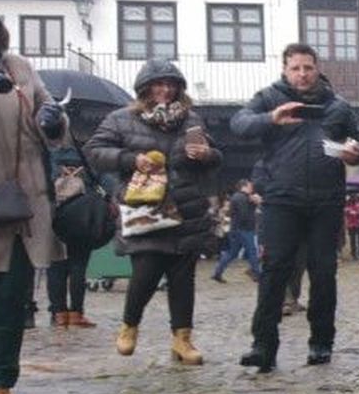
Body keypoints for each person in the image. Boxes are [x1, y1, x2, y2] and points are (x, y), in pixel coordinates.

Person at [230, 43, 359, 371]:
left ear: (317, 69)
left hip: (326, 200)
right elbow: (238, 124)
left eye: (308, 67)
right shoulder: (269, 97)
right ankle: (263, 344)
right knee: (274, 270)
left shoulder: (338, 107)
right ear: (285, 70)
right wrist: (270, 118)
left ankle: (321, 343)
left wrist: (356, 152)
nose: (302, 74)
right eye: (296, 68)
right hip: (281, 199)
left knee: (323, 273)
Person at [86, 60, 221, 365]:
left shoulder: (191, 120)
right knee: (145, 274)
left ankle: (182, 339)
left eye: (171, 85)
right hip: (146, 209)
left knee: (182, 278)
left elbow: (216, 156)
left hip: (186, 207)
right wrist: (131, 159)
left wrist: (207, 154)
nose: (166, 90)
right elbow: (95, 151)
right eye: (159, 84)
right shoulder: (121, 119)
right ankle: (129, 326)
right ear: (145, 88)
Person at [0, 13, 64, 394]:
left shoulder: (20, 68)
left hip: (17, 207)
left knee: (8, 301)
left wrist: (53, 120)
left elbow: (48, 112)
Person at [45, 140, 100, 328]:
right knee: (79, 266)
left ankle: (59, 313)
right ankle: (76, 313)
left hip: (55, 215)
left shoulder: (51, 155)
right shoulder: (87, 156)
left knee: (55, 266)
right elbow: (101, 182)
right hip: (82, 217)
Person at [212, 179, 262, 283]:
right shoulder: (242, 198)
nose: (252, 187)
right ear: (244, 186)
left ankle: (217, 272)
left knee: (232, 252)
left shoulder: (237, 197)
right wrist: (254, 205)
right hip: (244, 229)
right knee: (252, 251)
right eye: (250, 185)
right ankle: (257, 273)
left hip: (236, 228)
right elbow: (244, 214)